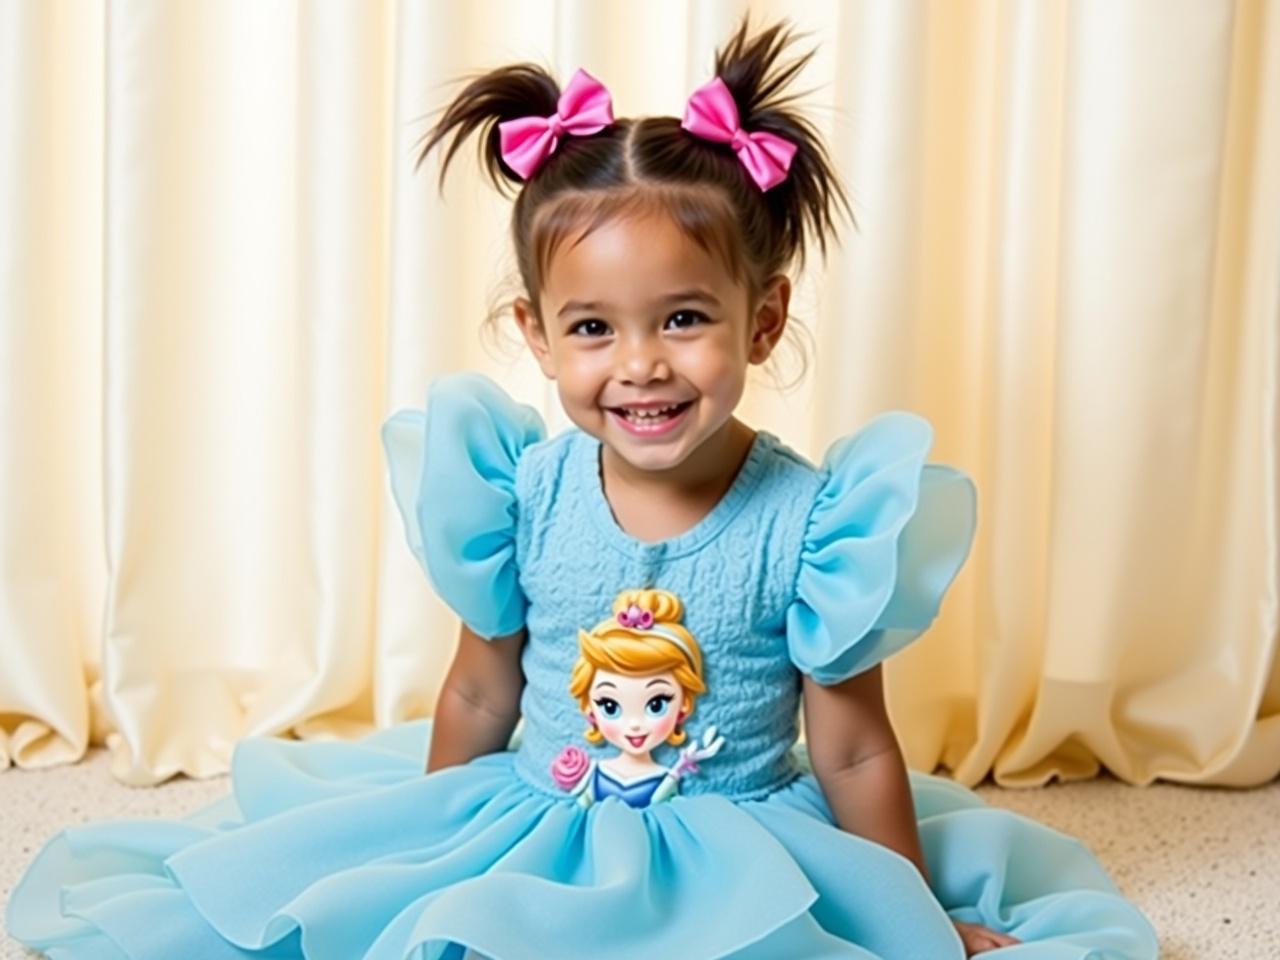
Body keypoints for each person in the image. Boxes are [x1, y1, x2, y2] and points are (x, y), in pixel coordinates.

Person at [6, 17, 1159, 960]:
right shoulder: (522, 492)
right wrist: (412, 850)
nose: (641, 364)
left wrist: (909, 921)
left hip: (738, 842)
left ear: (762, 321)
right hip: (538, 819)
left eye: (686, 320)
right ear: (538, 335)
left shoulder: (814, 526)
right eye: (593, 328)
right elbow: (475, 693)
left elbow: (851, 749)